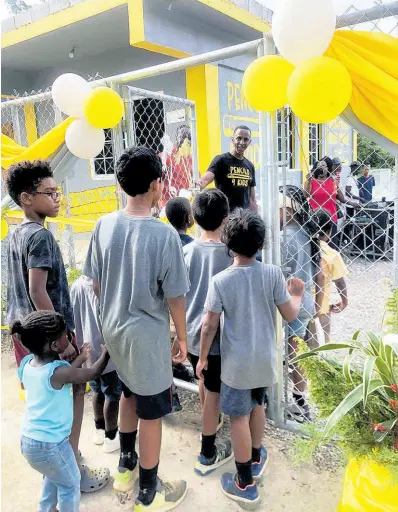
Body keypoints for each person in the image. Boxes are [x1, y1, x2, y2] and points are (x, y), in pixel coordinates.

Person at [84, 146, 190, 511]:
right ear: (157, 185)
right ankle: (148, 493)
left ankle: (126, 467)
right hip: (145, 338)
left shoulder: (104, 224)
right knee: (153, 413)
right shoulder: (164, 236)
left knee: (127, 394)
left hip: (113, 330)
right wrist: (182, 336)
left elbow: (95, 284)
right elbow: (176, 297)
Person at [5, 160, 109, 492]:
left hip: (26, 333)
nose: (57, 197)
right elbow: (38, 290)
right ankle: (71, 467)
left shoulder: (15, 233)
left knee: (46, 399)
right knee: (73, 393)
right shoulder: (40, 238)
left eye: (57, 191)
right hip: (47, 336)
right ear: (26, 198)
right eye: (48, 193)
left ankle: (59, 462)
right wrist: (62, 339)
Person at [196, 210, 304, 506]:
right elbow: (290, 314)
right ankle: (256, 456)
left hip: (236, 366)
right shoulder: (272, 274)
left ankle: (244, 483)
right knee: (258, 406)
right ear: (261, 243)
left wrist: (203, 357)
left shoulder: (221, 280)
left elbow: (209, 325)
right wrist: (296, 295)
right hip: (264, 362)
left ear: (227, 243)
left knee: (238, 418)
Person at [15, 310, 111, 512]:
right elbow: (91, 373)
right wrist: (107, 353)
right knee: (70, 483)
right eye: (65, 335)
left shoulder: (28, 365)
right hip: (51, 446)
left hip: (29, 441)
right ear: (55, 345)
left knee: (54, 477)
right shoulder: (57, 372)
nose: (68, 337)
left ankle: (47, 509)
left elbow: (64, 375)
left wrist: (81, 357)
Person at [183, 189, 233, 476]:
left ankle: (210, 422)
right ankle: (207, 452)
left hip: (191, 332)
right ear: (226, 219)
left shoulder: (187, 251)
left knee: (203, 382)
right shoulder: (230, 254)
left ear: (195, 219)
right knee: (213, 391)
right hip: (217, 336)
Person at [280, 185, 325, 421]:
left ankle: (298, 405)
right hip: (306, 300)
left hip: (290, 303)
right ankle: (299, 400)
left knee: (292, 354)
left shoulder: (285, 236)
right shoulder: (307, 234)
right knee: (297, 354)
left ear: (289, 210)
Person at [70, 275, 122, 453]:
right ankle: (111, 436)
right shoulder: (102, 285)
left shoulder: (76, 285)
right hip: (106, 352)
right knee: (112, 394)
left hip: (87, 351)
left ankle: (99, 430)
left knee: (97, 390)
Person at [200, 126, 257, 212]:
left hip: (243, 218)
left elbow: (252, 199)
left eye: (246, 139)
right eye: (238, 138)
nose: (242, 142)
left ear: (249, 142)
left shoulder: (250, 166)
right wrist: (197, 185)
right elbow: (206, 179)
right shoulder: (221, 160)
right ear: (232, 139)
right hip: (224, 217)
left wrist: (255, 219)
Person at [304, 156, 356, 251]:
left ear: (328, 168)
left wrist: (353, 202)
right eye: (319, 166)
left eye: (324, 166)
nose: (322, 168)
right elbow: (305, 196)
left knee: (332, 247)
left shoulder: (332, 181)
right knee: (315, 247)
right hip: (316, 218)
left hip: (331, 219)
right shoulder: (311, 181)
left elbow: (341, 198)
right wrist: (309, 180)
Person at [312, 209, 349, 344]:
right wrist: (344, 300)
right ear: (329, 233)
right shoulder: (332, 254)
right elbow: (340, 282)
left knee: (302, 341)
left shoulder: (305, 248)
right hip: (322, 305)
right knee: (323, 341)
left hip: (302, 302)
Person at [162, 125, 192, 205]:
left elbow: (198, 179)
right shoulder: (168, 156)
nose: (190, 149)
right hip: (168, 203)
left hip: (186, 202)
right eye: (188, 144)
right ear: (181, 143)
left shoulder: (189, 159)